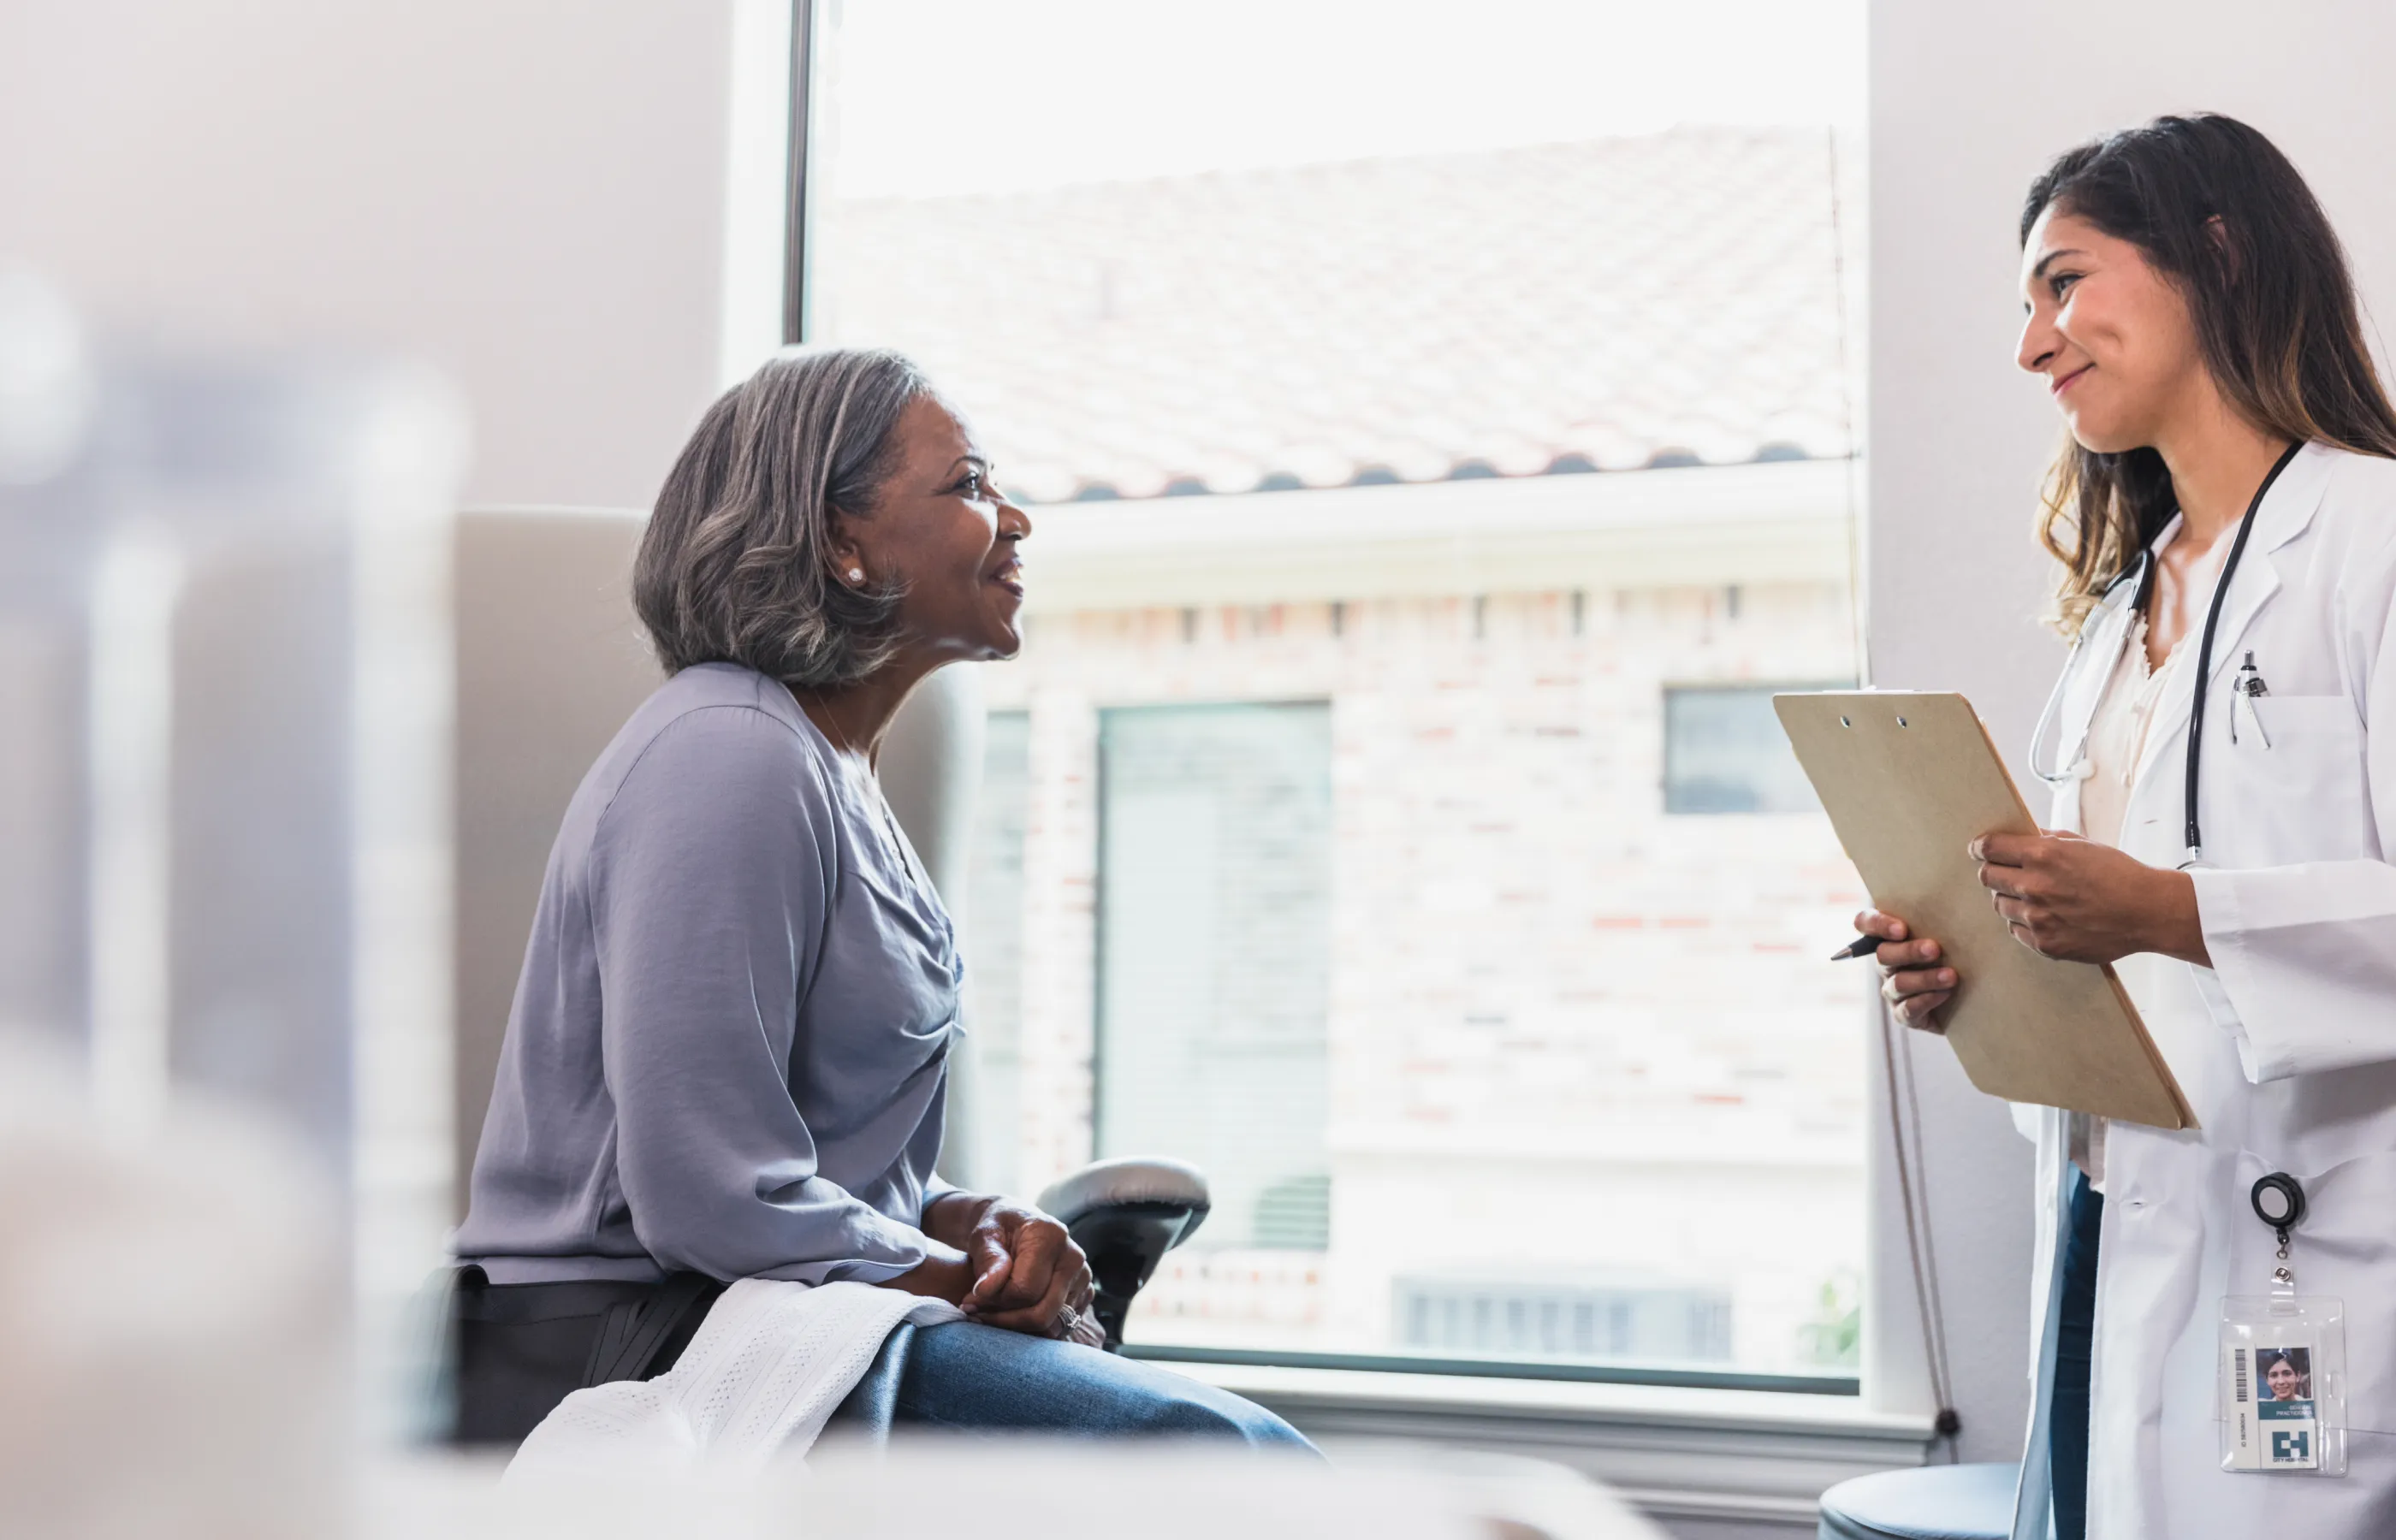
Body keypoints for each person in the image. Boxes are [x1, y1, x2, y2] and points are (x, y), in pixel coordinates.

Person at [449, 347, 1310, 1452]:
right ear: (840, 542)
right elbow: (711, 1197)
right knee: (1223, 1460)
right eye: (967, 485)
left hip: (767, 1318)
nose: (1013, 520)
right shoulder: (729, 750)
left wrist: (970, 1217)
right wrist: (967, 1283)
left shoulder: (827, 769)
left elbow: (817, 1165)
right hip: (629, 1349)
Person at [1857, 115, 2396, 1537]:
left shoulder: (2374, 540)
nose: (2033, 344)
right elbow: (2114, 946)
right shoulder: (2119, 613)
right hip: (2111, 1214)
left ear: (2214, 252)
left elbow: (2186, 915)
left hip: (2310, 1233)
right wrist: (1978, 967)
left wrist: (2166, 911)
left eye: (2064, 282)